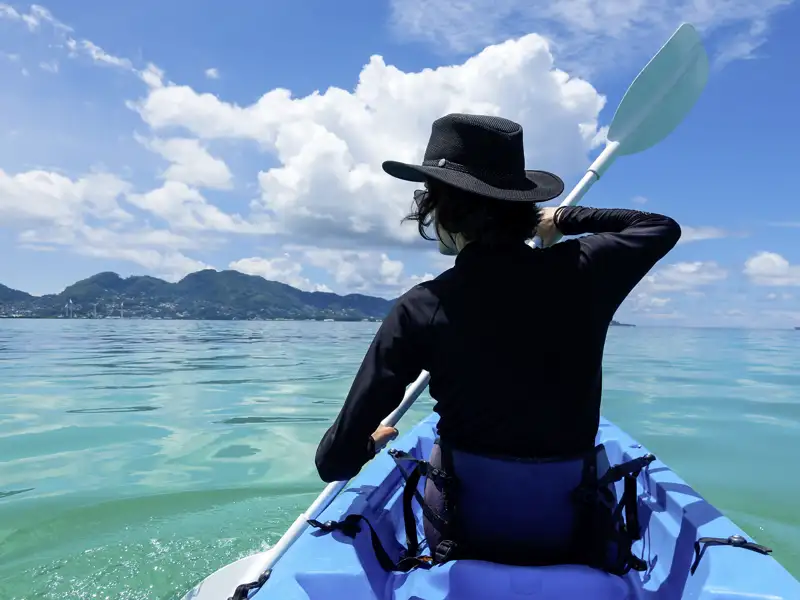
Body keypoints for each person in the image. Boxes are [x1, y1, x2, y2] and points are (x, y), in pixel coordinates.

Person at [314, 113, 681, 572]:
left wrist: (368, 444)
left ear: (440, 212)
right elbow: (658, 227)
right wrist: (563, 219)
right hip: (568, 528)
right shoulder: (585, 270)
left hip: (466, 531)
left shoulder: (420, 307)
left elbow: (334, 464)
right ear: (522, 206)